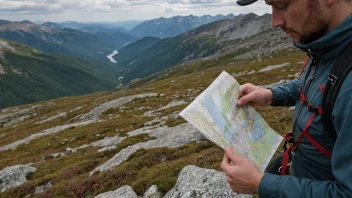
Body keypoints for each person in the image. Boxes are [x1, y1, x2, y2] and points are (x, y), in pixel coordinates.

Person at [220, 0, 352, 197]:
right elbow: (325, 84)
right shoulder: (328, 44)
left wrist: (260, 183)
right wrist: (272, 95)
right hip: (301, 170)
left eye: (282, 5)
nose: (275, 22)